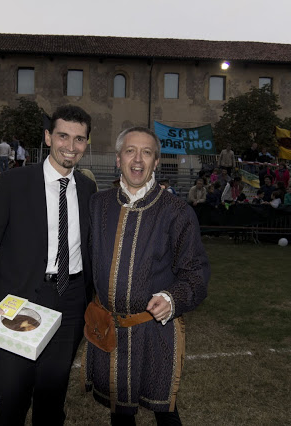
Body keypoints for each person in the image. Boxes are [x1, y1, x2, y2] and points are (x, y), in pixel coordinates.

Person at [0, 105, 97, 426]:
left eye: (79, 139)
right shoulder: (15, 182)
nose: (70, 146)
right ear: (48, 137)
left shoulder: (87, 187)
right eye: (63, 136)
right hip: (22, 298)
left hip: (71, 301)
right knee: (12, 393)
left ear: (87, 143)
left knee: (51, 397)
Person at [84, 126, 210, 424]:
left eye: (147, 152)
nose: (138, 159)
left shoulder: (176, 211)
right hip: (110, 328)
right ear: (118, 159)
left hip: (154, 331)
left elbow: (196, 272)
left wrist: (172, 298)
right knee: (120, 412)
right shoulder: (98, 205)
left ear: (156, 162)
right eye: (130, 151)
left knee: (164, 409)